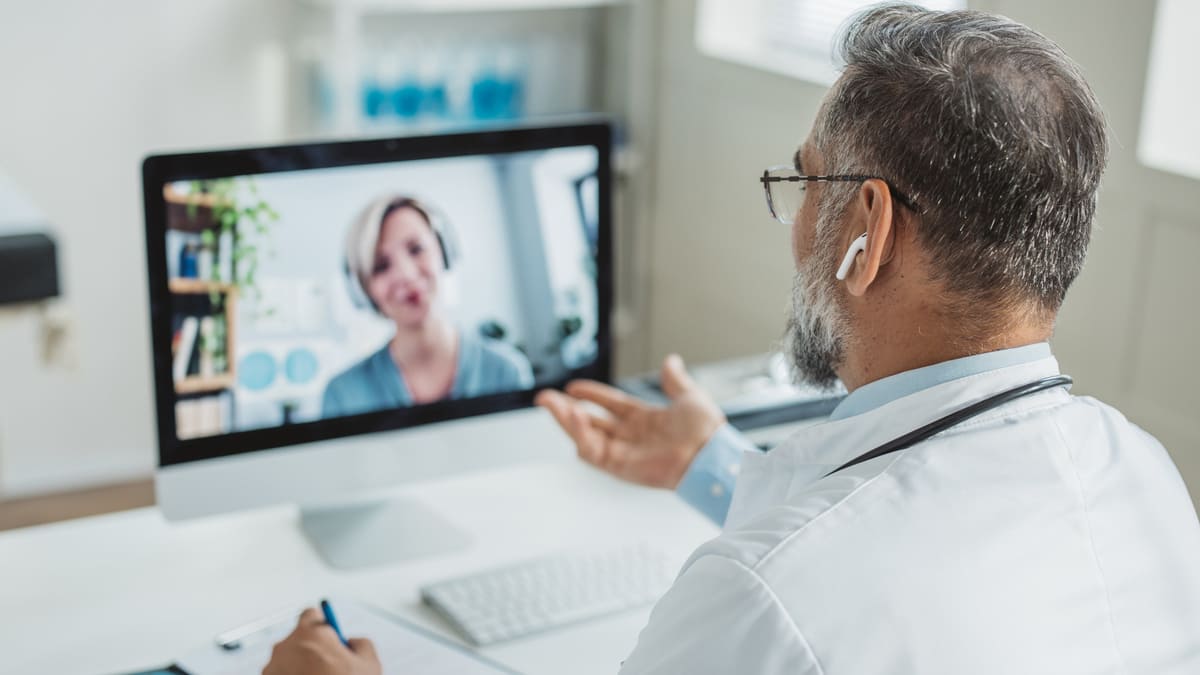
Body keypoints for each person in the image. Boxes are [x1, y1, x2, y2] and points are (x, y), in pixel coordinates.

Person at [266, 5, 1200, 674]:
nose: (794, 224)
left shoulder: (759, 597)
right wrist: (713, 465)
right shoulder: (1146, 476)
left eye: (802, 184)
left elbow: (818, 582)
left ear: (867, 231)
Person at [322, 196, 533, 418]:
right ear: (364, 290)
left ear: (444, 252)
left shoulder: (506, 370)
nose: (406, 274)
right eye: (381, 266)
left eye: (416, 249)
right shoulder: (342, 395)